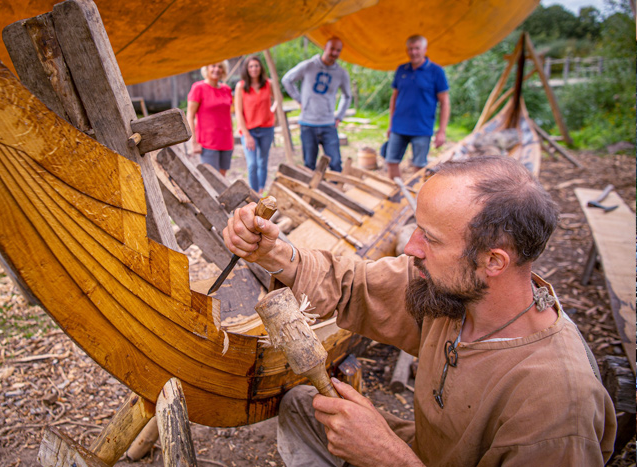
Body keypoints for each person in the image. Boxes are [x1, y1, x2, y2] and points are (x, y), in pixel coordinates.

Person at [222, 155, 616, 466]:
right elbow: (353, 284)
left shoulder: (557, 407)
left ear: (494, 261)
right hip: (423, 455)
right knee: (301, 407)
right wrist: (273, 252)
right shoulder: (452, 292)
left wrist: (388, 459)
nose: (411, 247)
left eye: (430, 238)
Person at [281, 37, 352, 172]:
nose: (334, 53)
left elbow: (347, 96)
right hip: (308, 123)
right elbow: (287, 80)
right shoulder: (309, 66)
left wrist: (339, 116)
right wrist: (300, 99)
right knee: (309, 164)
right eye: (332, 49)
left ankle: (335, 190)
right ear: (325, 47)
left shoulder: (341, 73)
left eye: (338, 50)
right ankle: (311, 191)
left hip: (328, 124)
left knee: (335, 162)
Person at [386, 35, 451, 180]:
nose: (413, 52)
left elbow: (445, 102)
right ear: (407, 50)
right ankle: (396, 196)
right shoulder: (401, 70)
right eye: (410, 49)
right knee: (391, 161)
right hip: (399, 127)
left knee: (419, 166)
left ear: (425, 50)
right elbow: (394, 97)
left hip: (422, 129)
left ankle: (415, 199)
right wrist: (391, 124)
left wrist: (442, 131)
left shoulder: (436, 71)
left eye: (417, 48)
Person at [235, 56, 276, 194]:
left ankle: (260, 191)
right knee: (252, 164)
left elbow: (278, 99)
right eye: (251, 66)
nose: (254, 69)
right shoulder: (241, 86)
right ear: (247, 69)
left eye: (256, 66)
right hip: (249, 130)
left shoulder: (268, 84)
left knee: (262, 162)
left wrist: (273, 111)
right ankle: (253, 193)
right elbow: (238, 112)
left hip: (266, 129)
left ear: (261, 67)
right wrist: (246, 135)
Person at [187, 61, 233, 176]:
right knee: (211, 178)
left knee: (222, 177)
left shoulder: (226, 89)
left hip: (226, 140)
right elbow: (190, 115)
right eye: (213, 66)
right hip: (208, 142)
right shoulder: (198, 88)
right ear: (207, 68)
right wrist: (194, 142)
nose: (216, 69)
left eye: (220, 67)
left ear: (223, 70)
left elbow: (228, 115)